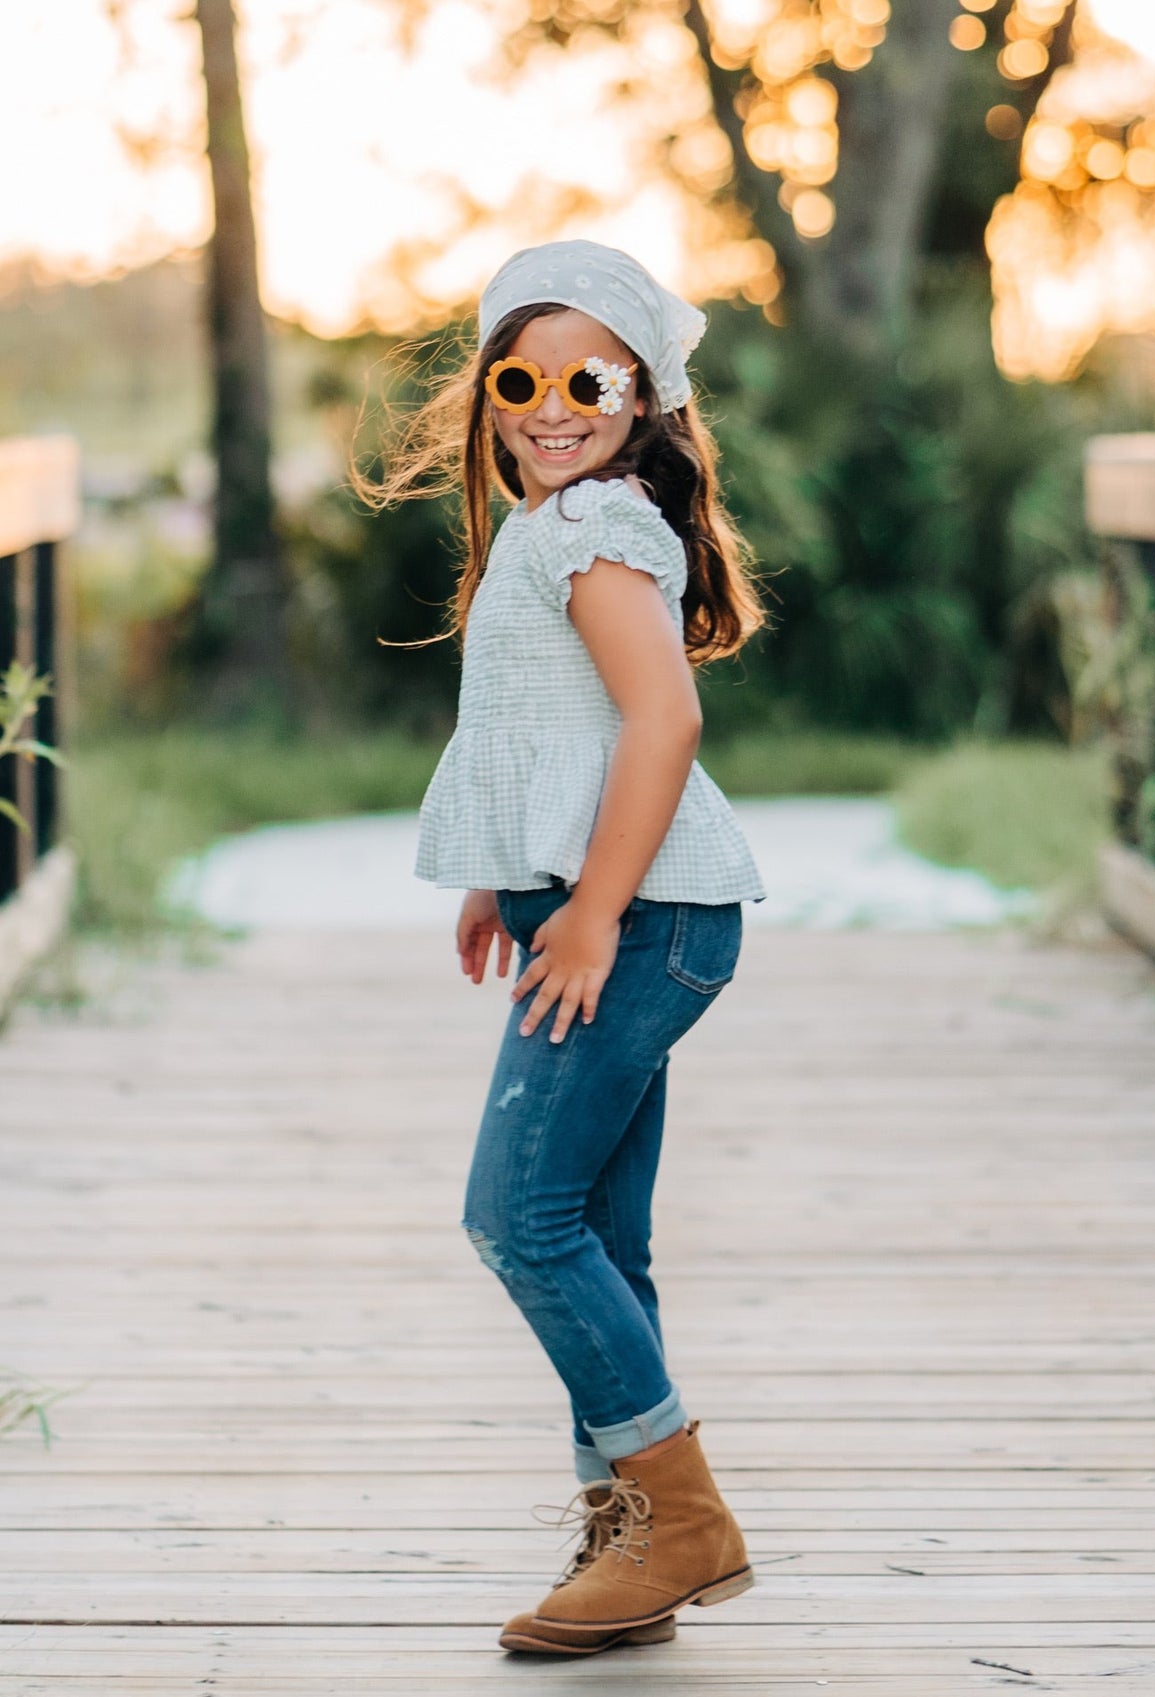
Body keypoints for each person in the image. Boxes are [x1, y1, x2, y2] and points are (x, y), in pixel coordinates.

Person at [364, 239, 768, 1656]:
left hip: (642, 919)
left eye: (586, 377)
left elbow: (664, 724)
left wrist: (589, 911)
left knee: (518, 1217)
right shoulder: (550, 525)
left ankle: (684, 1515)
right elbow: (551, 730)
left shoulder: (598, 527)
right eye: (518, 376)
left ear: (641, 391)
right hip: (607, 907)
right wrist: (506, 876)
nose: (549, 403)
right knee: (599, 1230)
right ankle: (635, 1536)